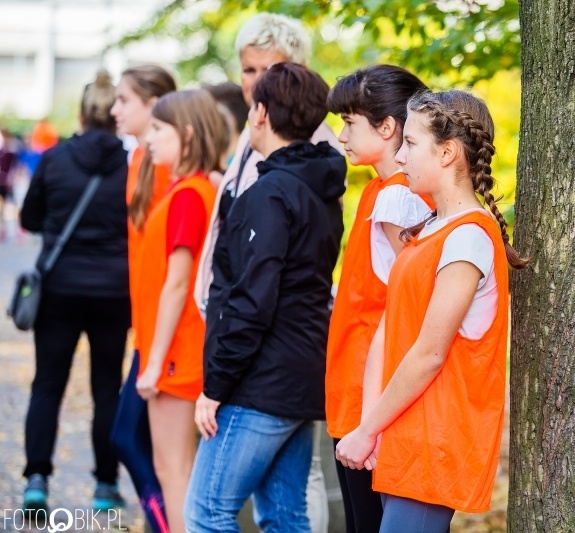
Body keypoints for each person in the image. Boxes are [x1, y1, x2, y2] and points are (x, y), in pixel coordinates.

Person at [335, 90, 529, 533]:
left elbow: (429, 354)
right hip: (401, 433)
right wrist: (372, 427)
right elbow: (387, 330)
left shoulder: (469, 238)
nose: (399, 156)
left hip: (433, 443)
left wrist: (369, 430)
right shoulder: (431, 229)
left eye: (411, 143)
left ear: (447, 153)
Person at [192, 13, 339, 531]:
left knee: (207, 512)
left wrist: (216, 385)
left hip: (260, 376)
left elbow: (254, 297)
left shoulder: (274, 191)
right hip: (297, 369)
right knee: (284, 515)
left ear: (261, 114)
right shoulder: (314, 180)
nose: (253, 82)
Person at [325, 64, 431, 533]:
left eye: (349, 122)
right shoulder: (377, 190)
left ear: (387, 127)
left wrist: (374, 418)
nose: (341, 134)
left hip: (370, 394)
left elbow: (407, 304)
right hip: (355, 385)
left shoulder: (398, 199)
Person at [19, 70, 130, 514]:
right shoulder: (133, 164)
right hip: (114, 292)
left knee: (47, 384)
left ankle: (37, 482)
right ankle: (105, 488)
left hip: (60, 289)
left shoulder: (55, 158)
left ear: (83, 113)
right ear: (114, 115)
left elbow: (29, 218)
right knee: (107, 388)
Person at [133, 89, 225, 532]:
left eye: (157, 129)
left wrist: (152, 364)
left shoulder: (190, 194)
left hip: (175, 353)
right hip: (178, 349)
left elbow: (177, 284)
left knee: (174, 471)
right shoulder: (194, 189)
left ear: (186, 135)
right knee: (178, 470)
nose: (148, 139)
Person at [108, 64, 177, 533]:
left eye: (123, 100)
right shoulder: (138, 160)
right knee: (138, 440)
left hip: (165, 331)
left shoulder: (168, 162)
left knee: (129, 438)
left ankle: (168, 523)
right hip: (146, 325)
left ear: (153, 104)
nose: (114, 110)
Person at [0, 127, 20, 242]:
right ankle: (3, 228)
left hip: (7, 181)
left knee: (11, 204)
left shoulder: (11, 149)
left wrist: (11, 177)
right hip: (2, 180)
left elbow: (15, 165)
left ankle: (14, 230)